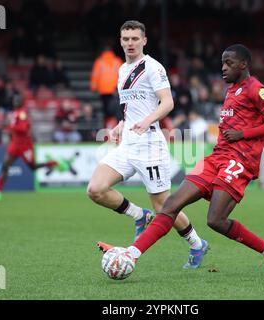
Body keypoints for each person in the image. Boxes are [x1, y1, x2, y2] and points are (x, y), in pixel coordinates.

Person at [100, 44, 264, 279]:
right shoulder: (232, 89)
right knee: (170, 206)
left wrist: (248, 140)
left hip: (239, 161)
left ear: (243, 65)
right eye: (222, 62)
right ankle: (131, 254)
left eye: (229, 63)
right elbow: (263, 125)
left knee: (215, 220)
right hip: (217, 157)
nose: (223, 68)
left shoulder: (255, 89)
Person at [90, 20, 208, 269]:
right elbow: (130, 107)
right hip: (129, 143)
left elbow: (167, 103)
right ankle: (138, 215)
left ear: (144, 41)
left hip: (151, 144)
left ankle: (197, 244)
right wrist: (122, 124)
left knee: (164, 206)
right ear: (120, 41)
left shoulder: (153, 67)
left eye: (135, 38)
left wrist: (146, 121)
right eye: (126, 39)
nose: (130, 43)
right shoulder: (122, 69)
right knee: (96, 189)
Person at [0, 94, 58, 201]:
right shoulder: (14, 113)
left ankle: (51, 163)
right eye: (14, 100)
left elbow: (24, 128)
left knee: (33, 167)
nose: (16, 102)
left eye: (18, 100)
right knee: (5, 165)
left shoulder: (22, 113)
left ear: (21, 102)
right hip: (15, 144)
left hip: (25, 146)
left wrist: (13, 126)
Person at [90, 45, 123, 126]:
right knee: (117, 110)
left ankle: (107, 127)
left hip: (103, 90)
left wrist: (94, 88)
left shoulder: (99, 61)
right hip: (115, 90)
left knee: (106, 111)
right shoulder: (117, 61)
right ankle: (116, 126)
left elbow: (95, 75)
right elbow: (123, 75)